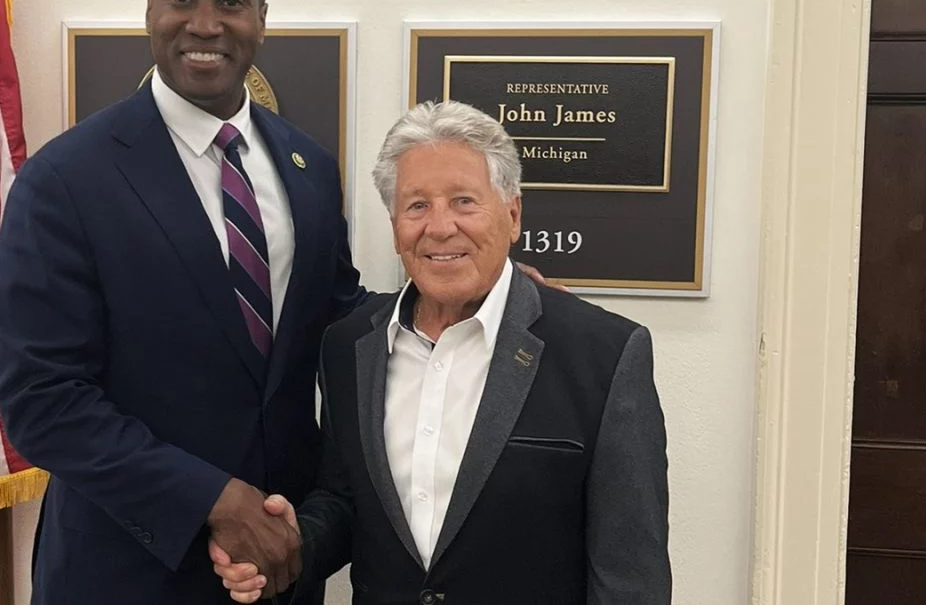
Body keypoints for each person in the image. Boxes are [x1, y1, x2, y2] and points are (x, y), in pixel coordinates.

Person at [0, 0, 364, 603]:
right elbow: (41, 400)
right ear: (150, 8)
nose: (205, 23)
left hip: (276, 570)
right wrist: (212, 498)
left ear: (261, 17)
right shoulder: (66, 180)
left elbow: (341, 322)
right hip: (123, 572)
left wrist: (467, 299)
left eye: (231, 1)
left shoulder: (307, 166)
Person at [212, 100, 672, 604]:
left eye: (464, 202)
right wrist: (290, 546)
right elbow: (346, 500)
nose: (440, 227)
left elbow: (630, 577)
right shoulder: (349, 347)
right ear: (394, 227)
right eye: (417, 206)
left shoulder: (603, 355)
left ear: (513, 214)